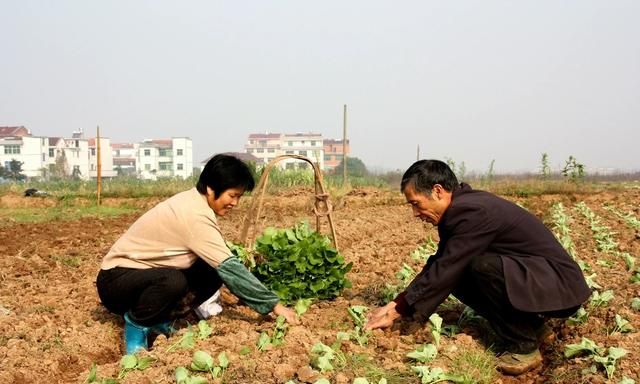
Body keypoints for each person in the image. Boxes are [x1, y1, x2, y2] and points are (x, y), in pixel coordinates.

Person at [365, 160, 591, 375]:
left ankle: (524, 347)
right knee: (459, 273)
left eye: (416, 203)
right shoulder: (463, 206)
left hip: (559, 284)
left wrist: (397, 311)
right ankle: (534, 327)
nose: (415, 213)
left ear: (437, 191)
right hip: (542, 280)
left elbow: (447, 266)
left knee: (476, 267)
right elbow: (442, 261)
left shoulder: (470, 211)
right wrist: (398, 303)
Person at [96, 154, 298, 355]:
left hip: (141, 277)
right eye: (232, 195)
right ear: (211, 189)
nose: (235, 203)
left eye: (239, 197)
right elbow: (231, 269)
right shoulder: (194, 216)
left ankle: (158, 320)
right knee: (173, 281)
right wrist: (274, 305)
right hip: (115, 283)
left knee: (210, 270)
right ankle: (137, 326)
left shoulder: (196, 203)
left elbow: (222, 263)